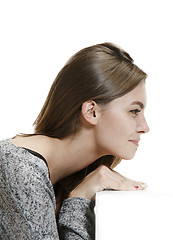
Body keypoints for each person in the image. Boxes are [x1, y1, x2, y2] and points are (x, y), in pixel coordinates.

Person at [0, 42, 150, 239]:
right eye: (134, 111)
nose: (145, 127)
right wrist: (79, 199)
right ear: (91, 111)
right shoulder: (21, 169)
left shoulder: (73, 178)